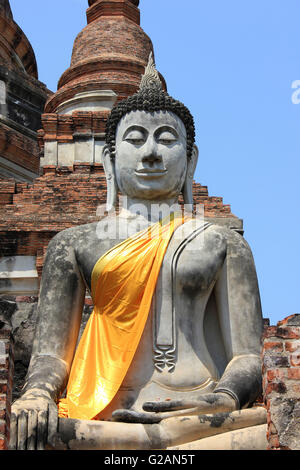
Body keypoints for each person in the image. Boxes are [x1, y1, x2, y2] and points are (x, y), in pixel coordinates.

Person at [9, 55, 265, 450]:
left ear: (190, 160)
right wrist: (37, 393)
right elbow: (52, 356)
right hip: (105, 415)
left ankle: (169, 435)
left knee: (268, 431)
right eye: (135, 139)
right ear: (110, 161)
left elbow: (247, 356)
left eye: (166, 139)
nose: (150, 153)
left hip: (204, 416)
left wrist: (223, 397)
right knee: (32, 435)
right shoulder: (75, 243)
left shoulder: (223, 243)